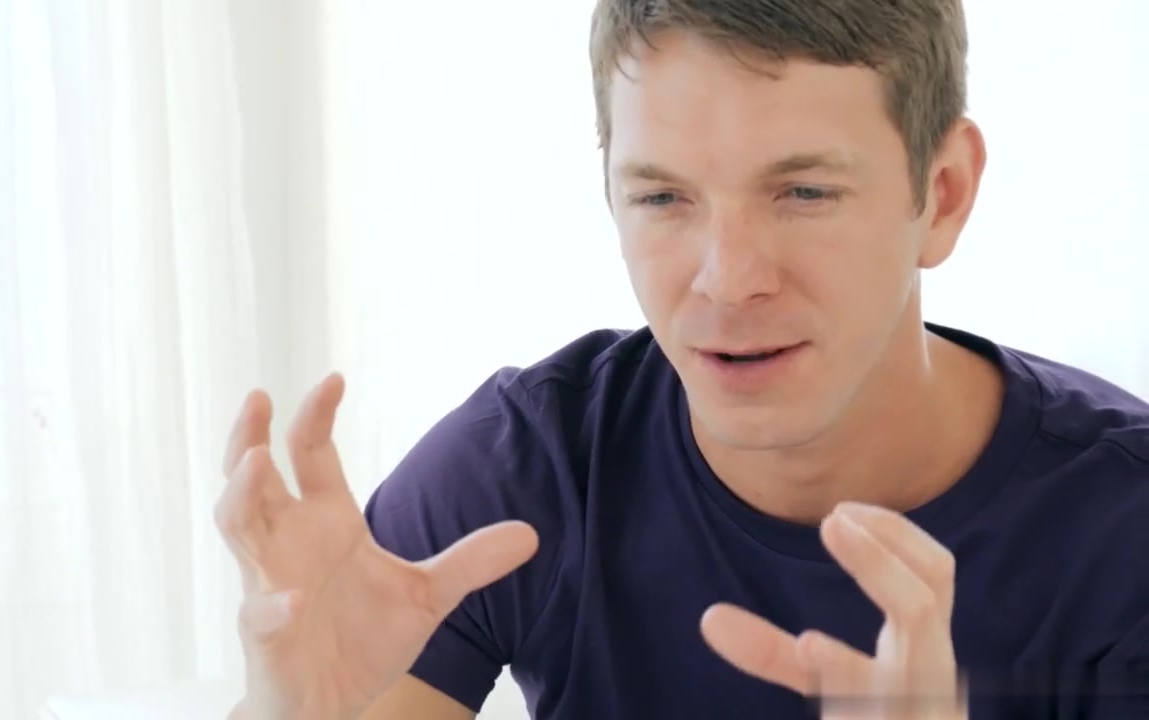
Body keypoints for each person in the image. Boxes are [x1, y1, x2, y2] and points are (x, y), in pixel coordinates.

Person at [214, 0, 1149, 717]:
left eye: (804, 192)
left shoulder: (1124, 529)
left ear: (940, 195)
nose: (727, 280)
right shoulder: (527, 469)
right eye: (663, 199)